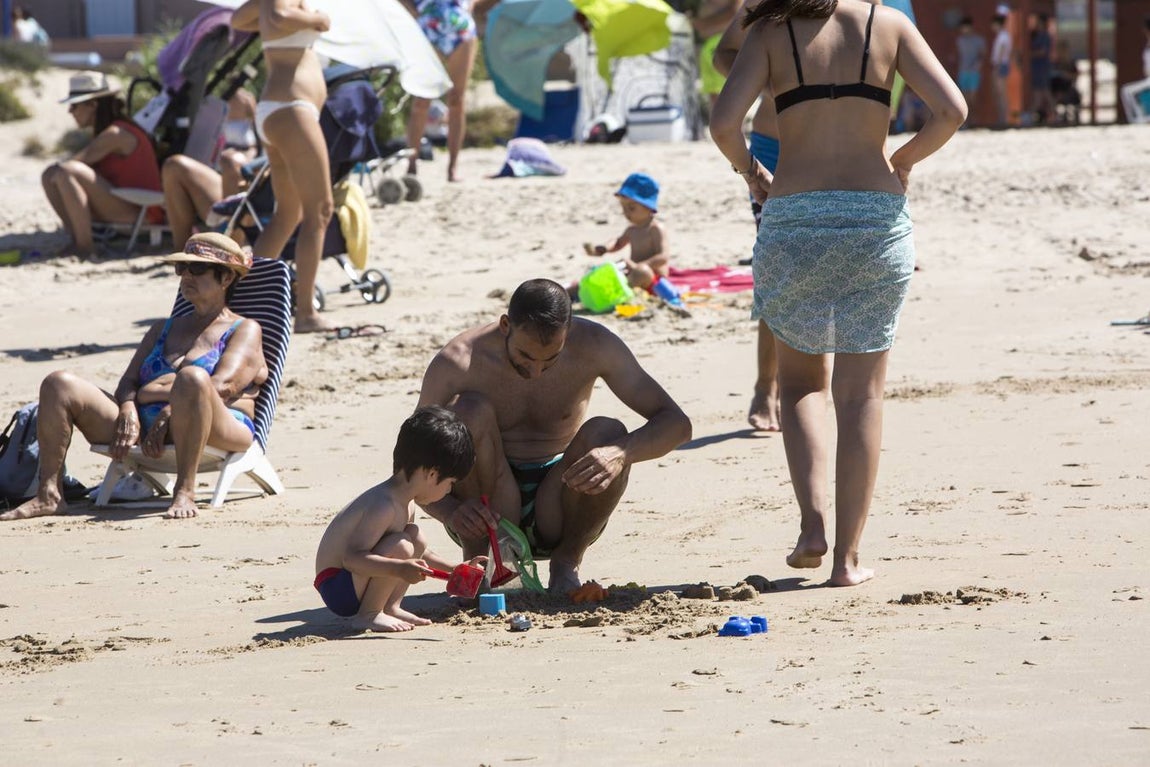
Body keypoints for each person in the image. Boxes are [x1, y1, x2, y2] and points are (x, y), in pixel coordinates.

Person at [710, 0, 966, 585]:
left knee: (800, 384)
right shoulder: (890, 23)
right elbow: (951, 110)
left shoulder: (770, 30)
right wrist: (902, 160)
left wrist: (750, 172)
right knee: (862, 396)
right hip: (875, 218)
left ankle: (811, 528)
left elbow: (723, 123)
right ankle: (848, 561)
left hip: (794, 216)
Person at [415, 278, 692, 594]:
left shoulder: (596, 345)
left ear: (569, 332)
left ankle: (567, 561)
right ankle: (483, 559)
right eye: (525, 356)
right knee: (470, 411)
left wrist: (621, 452)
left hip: (561, 501)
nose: (535, 372)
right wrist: (450, 511)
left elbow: (678, 425)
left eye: (550, 359)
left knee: (608, 432)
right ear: (506, 325)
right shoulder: (459, 360)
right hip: (486, 505)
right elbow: (410, 459)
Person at [0, 233, 269, 523]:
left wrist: (168, 404)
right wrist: (129, 407)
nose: (186, 276)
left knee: (192, 378)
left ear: (226, 278)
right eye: (182, 269)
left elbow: (223, 387)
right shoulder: (162, 329)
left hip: (219, 424)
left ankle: (184, 490)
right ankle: (49, 493)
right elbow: (128, 382)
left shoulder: (245, 329)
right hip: (144, 424)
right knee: (58, 383)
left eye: (197, 269)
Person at [314, 406, 487, 632]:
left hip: (354, 579)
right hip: (337, 586)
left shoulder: (406, 501)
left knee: (415, 537)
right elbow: (352, 559)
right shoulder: (384, 506)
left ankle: (390, 606)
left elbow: (421, 554)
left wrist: (454, 569)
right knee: (402, 546)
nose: (448, 491)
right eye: (450, 483)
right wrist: (398, 568)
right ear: (432, 474)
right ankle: (368, 614)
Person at [231, 1, 334, 334]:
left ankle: (240, 305)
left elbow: (239, 18)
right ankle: (305, 313)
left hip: (279, 109)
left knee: (289, 213)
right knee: (320, 210)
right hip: (292, 109)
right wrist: (317, 18)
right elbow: (278, 16)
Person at [713, 1, 782, 433]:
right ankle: (766, 387)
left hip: (841, 149)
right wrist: (766, 81)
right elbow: (723, 54)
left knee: (832, 264)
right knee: (776, 268)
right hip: (774, 145)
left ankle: (820, 386)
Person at [42, 71, 162, 259]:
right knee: (50, 174)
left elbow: (74, 165)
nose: (70, 111)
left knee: (64, 172)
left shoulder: (116, 134)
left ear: (93, 105)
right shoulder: (109, 131)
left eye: (74, 106)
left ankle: (85, 246)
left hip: (142, 211)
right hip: (127, 203)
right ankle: (76, 237)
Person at [403, 0, 478, 182]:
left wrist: (470, 5)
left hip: (460, 27)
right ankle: (411, 164)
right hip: (428, 26)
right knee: (421, 100)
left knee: (457, 100)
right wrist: (414, 11)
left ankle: (452, 168)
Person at [575, 173, 669, 295]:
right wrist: (604, 248)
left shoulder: (655, 229)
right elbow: (618, 243)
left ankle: (620, 294)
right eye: (623, 208)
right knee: (607, 271)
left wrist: (638, 265)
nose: (626, 213)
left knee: (642, 271)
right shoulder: (632, 229)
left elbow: (663, 257)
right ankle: (574, 292)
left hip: (653, 279)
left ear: (649, 207)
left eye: (631, 208)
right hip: (633, 273)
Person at [691, 0, 741, 113]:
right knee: (714, 97)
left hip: (722, 42)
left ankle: (732, 129)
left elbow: (736, 12)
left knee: (729, 96)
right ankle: (717, 129)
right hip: (708, 45)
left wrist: (701, 24)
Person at [955, 16, 986, 121]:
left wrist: (978, 65)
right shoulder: (960, 40)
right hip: (963, 71)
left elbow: (982, 55)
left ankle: (974, 119)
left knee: (973, 97)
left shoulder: (979, 40)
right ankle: (966, 121)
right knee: (964, 98)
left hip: (974, 72)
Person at [1028, 13, 1055, 125]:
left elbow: (1043, 52)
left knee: (1043, 92)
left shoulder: (1045, 36)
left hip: (1042, 68)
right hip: (1036, 68)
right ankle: (1032, 115)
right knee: (1040, 93)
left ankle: (1052, 115)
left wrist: (1029, 54)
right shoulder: (1036, 35)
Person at [990, 13, 1012, 127]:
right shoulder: (1003, 35)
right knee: (999, 93)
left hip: (1000, 65)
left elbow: (1002, 51)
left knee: (1001, 93)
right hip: (1001, 64)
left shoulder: (1003, 36)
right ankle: (1002, 118)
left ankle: (1004, 118)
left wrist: (997, 66)